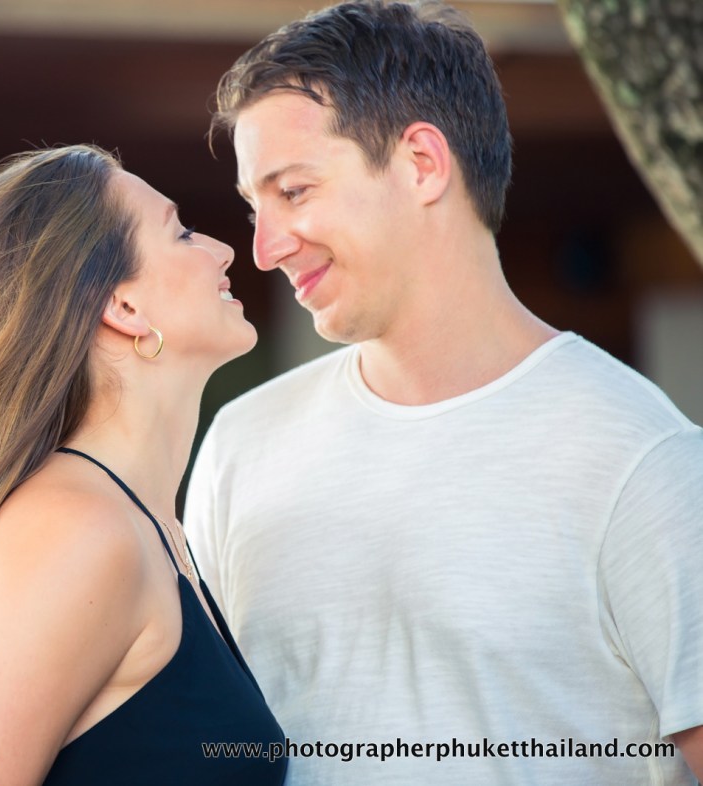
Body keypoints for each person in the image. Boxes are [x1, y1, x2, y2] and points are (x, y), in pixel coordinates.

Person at [184, 2, 703, 784]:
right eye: (256, 208)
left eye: (292, 192)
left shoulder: (643, 461)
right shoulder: (240, 444)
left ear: (422, 163)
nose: (264, 248)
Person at [0, 144, 288, 786]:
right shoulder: (76, 527)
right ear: (123, 307)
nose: (224, 251)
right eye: (182, 232)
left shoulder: (150, 529)